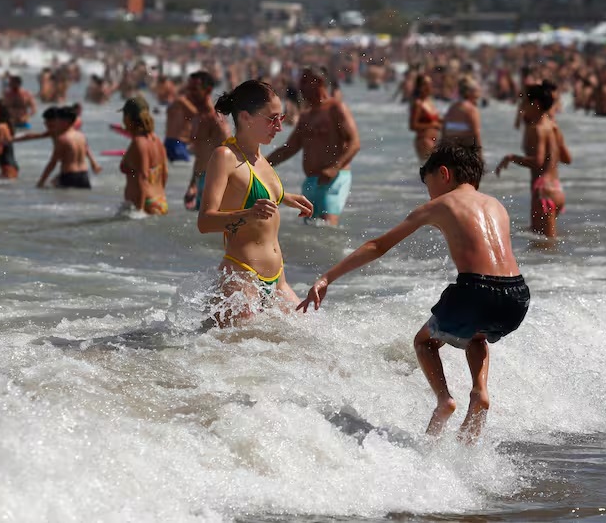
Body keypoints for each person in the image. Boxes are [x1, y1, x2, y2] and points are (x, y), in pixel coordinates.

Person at [297, 138, 530, 442]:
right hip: (517, 296)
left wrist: (327, 277)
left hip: (475, 290)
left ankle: (444, 399)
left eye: (429, 183)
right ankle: (480, 391)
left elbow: (377, 246)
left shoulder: (440, 204)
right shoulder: (496, 206)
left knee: (424, 342)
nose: (429, 193)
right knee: (477, 334)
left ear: (444, 174)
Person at [197, 80, 313, 322]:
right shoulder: (225, 157)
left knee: (312, 341)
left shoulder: (260, 158)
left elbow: (255, 195)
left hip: (278, 281)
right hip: (242, 281)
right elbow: (205, 222)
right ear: (246, 117)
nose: (279, 127)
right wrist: (249, 214)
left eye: (281, 117)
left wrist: (287, 198)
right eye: (272, 119)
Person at [267, 67, 361, 226]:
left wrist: (334, 168)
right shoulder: (306, 116)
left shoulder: (335, 108)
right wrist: (260, 164)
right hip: (311, 181)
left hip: (334, 179)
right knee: (311, 230)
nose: (300, 87)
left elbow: (355, 143)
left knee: (327, 227)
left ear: (319, 82)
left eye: (304, 81)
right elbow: (289, 148)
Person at [495, 81, 572, 238]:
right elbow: (566, 158)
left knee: (544, 247)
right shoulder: (553, 126)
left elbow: (538, 161)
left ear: (535, 104)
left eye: (524, 103)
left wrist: (511, 158)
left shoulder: (536, 129)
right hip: (556, 190)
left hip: (543, 192)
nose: (522, 107)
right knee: (545, 244)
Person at [183, 71, 231, 211]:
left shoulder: (216, 120)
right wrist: (192, 185)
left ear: (208, 90)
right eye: (188, 88)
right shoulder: (199, 117)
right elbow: (201, 155)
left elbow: (232, 155)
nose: (189, 93)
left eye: (194, 89)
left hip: (215, 184)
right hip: (202, 182)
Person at [118, 97, 169, 215]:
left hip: (144, 204)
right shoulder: (156, 140)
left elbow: (143, 177)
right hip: (160, 201)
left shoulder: (138, 143)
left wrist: (139, 211)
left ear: (127, 117)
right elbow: (164, 173)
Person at [36, 105, 101, 189]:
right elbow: (86, 150)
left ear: (65, 121)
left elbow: (52, 163)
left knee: (61, 200)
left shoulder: (62, 139)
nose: (56, 122)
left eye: (57, 120)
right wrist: (93, 164)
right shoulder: (81, 136)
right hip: (84, 176)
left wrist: (41, 181)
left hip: (69, 176)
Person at [164, 76, 200, 163]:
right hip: (177, 143)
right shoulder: (181, 101)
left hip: (172, 142)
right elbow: (197, 114)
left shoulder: (177, 103)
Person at [409, 74, 441, 162]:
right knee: (430, 170)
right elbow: (413, 126)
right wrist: (432, 124)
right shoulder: (417, 104)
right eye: (425, 84)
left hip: (435, 139)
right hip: (424, 140)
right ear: (419, 87)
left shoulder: (429, 101)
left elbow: (436, 120)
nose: (428, 87)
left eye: (430, 84)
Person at [441, 78, 482, 148]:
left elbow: (444, 132)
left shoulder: (452, 108)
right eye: (477, 90)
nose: (479, 92)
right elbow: (476, 134)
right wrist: (480, 156)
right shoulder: (471, 109)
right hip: (464, 151)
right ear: (469, 92)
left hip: (450, 151)